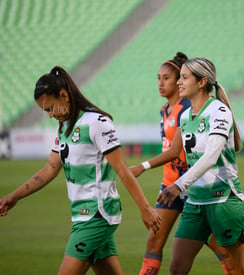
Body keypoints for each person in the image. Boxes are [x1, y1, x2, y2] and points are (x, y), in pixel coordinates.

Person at [0, 66, 161, 275]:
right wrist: (15, 197)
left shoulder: (96, 123)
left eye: (50, 108)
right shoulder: (64, 127)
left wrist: (145, 208)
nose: (49, 115)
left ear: (64, 96)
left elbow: (121, 169)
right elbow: (50, 169)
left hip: (97, 214)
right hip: (82, 216)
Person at [131, 52, 228, 274]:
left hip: (189, 183)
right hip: (169, 184)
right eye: (158, 78)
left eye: (166, 78)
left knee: (215, 243)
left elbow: (175, 152)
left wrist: (142, 166)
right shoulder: (165, 111)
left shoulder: (187, 109)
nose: (160, 83)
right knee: (154, 241)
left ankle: (236, 269)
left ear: (178, 80)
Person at [156, 57, 244, 275]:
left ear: (202, 82)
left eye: (185, 77)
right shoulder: (186, 116)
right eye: (179, 77)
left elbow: (210, 157)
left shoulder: (219, 112)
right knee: (176, 268)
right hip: (195, 203)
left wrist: (178, 185)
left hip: (224, 200)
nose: (179, 82)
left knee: (237, 270)